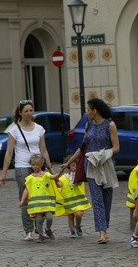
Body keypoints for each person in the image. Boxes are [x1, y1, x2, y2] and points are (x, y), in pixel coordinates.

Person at [60, 98, 120, 244]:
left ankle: (104, 227)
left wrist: (103, 154)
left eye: (88, 110)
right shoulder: (88, 125)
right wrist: (68, 163)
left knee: (107, 198)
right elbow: (83, 147)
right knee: (97, 199)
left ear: (95, 111)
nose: (87, 112)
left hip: (105, 165)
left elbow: (116, 147)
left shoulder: (110, 125)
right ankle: (101, 232)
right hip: (91, 166)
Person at [0, 99, 54, 241]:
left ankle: (39, 228)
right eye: (26, 111)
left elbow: (43, 149)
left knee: (41, 196)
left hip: (38, 165)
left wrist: (50, 167)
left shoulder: (39, 128)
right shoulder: (14, 129)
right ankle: (28, 229)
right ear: (20, 113)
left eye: (31, 110)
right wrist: (4, 173)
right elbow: (9, 153)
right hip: (22, 165)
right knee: (26, 196)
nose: (29, 113)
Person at [19, 154, 62, 244]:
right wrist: (22, 200)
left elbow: (54, 177)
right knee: (39, 219)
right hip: (36, 204)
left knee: (49, 217)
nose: (35, 166)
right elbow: (26, 190)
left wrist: (59, 173)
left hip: (47, 203)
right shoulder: (29, 178)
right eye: (33, 164)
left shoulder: (46, 175)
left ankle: (48, 229)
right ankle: (41, 234)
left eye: (37, 165)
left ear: (42, 164)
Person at [58, 160, 91, 238]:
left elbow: (79, 183)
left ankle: (78, 225)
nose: (75, 167)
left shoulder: (79, 177)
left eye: (76, 166)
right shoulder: (63, 178)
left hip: (78, 200)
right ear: (68, 166)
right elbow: (59, 185)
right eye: (73, 166)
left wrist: (76, 177)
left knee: (78, 214)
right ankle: (72, 232)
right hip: (68, 201)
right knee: (70, 217)